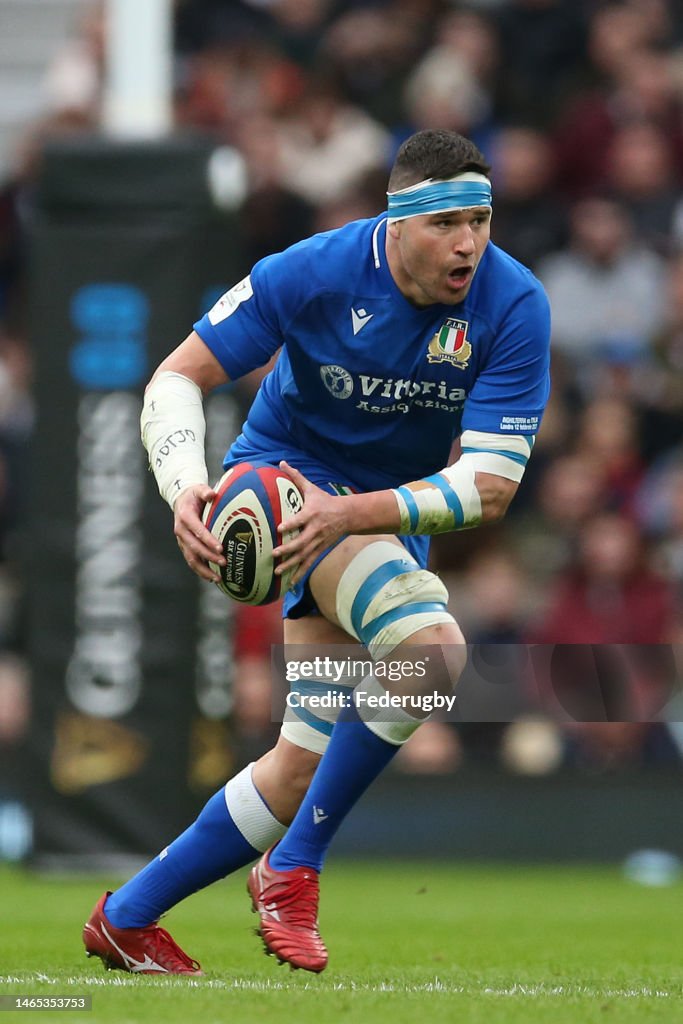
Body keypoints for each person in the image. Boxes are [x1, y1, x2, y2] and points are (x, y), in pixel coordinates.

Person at [82, 128, 550, 975]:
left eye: (479, 219)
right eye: (446, 221)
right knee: (432, 655)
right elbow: (176, 378)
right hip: (286, 488)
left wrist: (357, 514)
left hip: (380, 511)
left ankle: (127, 917)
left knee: (299, 763)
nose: (468, 242)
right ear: (397, 223)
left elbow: (488, 487)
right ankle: (293, 869)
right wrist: (185, 485)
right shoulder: (311, 270)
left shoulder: (513, 303)